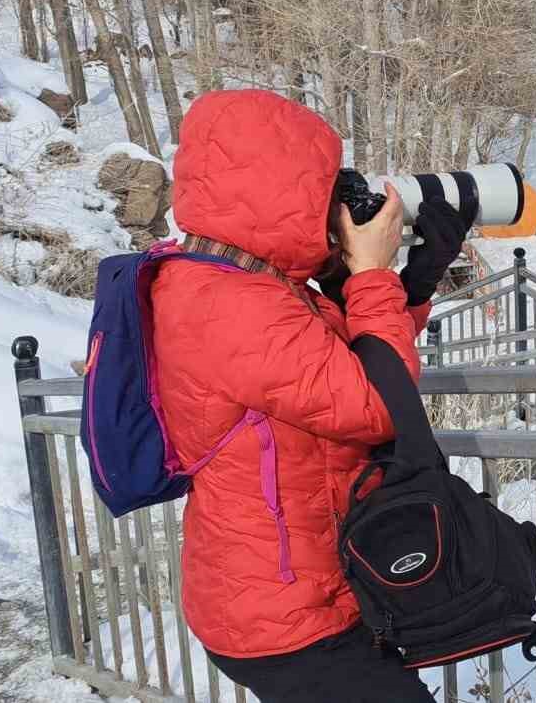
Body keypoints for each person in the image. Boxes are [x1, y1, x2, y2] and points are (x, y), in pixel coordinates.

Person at [152, 89, 467, 702]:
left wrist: (414, 282)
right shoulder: (229, 303)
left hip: (300, 592)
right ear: (280, 189)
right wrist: (372, 273)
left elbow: (342, 359)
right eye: (322, 185)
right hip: (285, 615)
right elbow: (376, 403)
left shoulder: (237, 281)